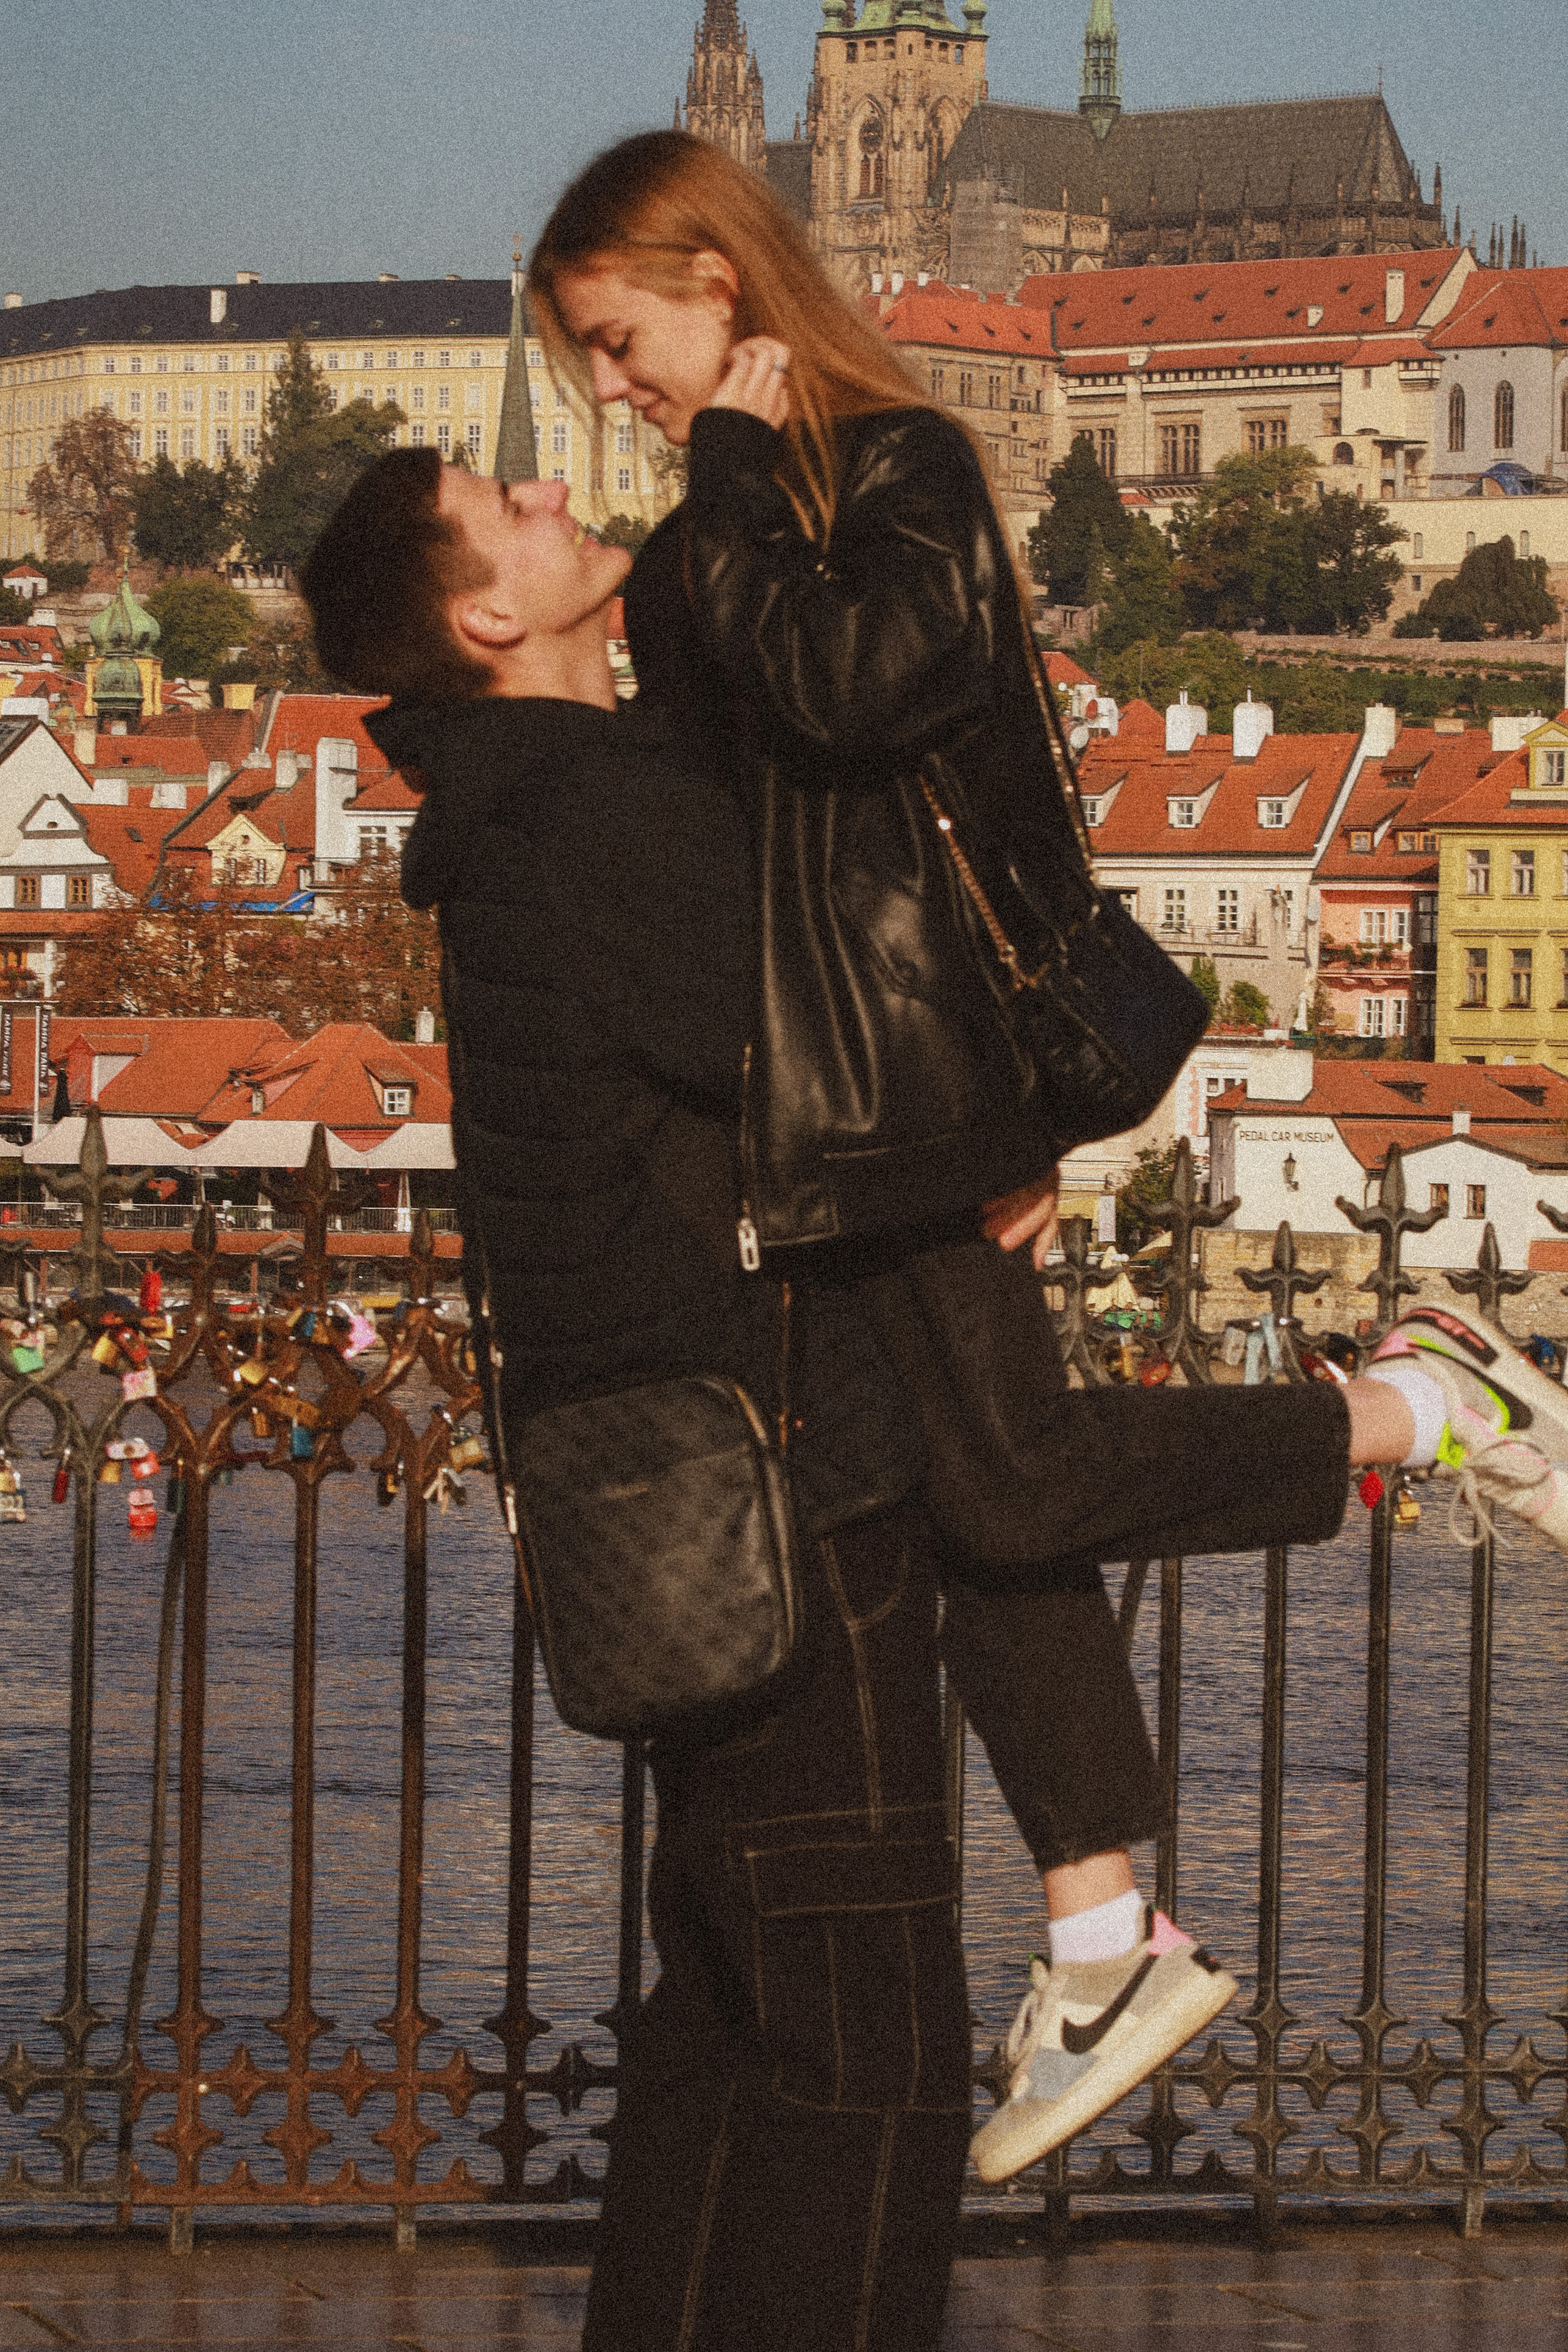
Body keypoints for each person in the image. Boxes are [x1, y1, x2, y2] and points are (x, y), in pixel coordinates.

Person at [300, 443, 1461, 2352]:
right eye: (497, 493)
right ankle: (1398, 1428)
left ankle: (1131, 1873)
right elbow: (810, 1044)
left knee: (728, 2060)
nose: (541, 476)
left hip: (698, 1504)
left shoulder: (549, 806)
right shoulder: (584, 823)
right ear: (487, 617)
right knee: (868, 2086)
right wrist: (998, 1137)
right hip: (790, 1501)